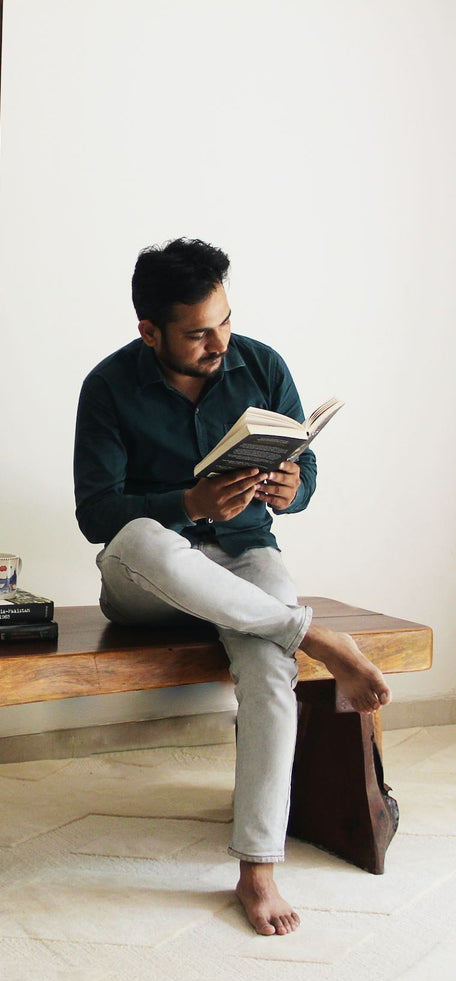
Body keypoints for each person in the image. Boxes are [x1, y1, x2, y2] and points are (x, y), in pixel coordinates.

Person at [72, 238, 391, 936]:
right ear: (149, 331)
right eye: (197, 332)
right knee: (144, 537)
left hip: (246, 557)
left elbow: (305, 483)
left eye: (224, 321)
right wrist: (189, 506)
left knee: (268, 662)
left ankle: (258, 868)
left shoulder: (263, 364)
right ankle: (313, 632)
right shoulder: (107, 386)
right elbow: (95, 513)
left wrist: (289, 487)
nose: (219, 341)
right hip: (149, 582)